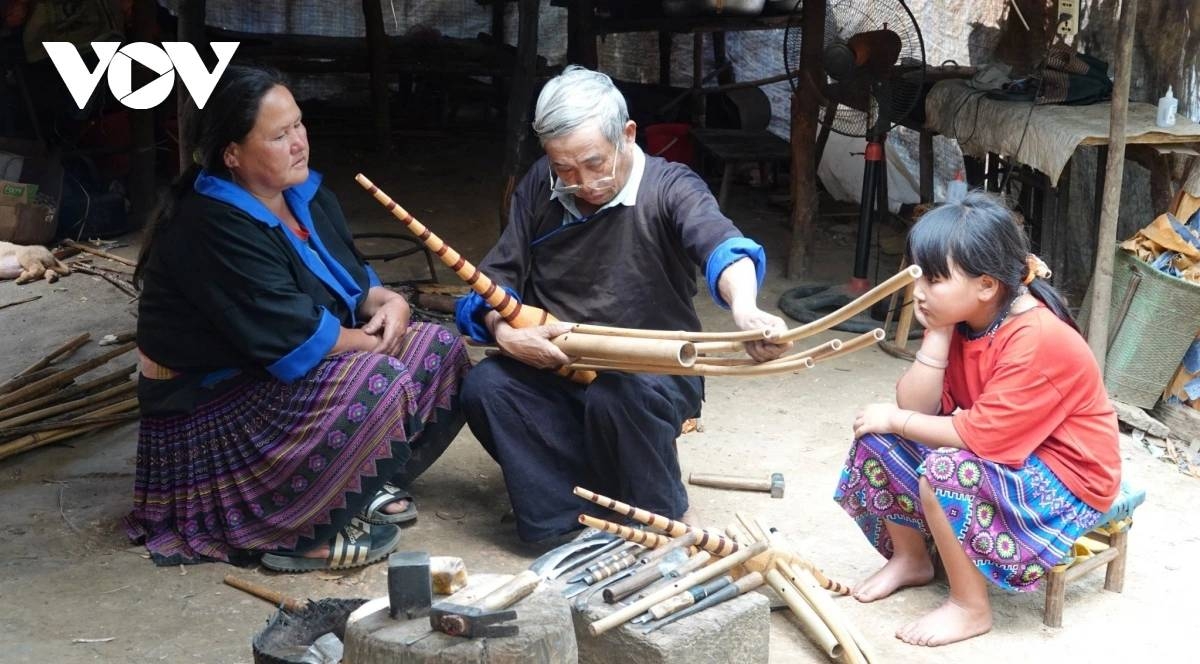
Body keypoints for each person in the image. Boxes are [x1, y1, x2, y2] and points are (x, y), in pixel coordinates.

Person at [125, 66, 469, 571]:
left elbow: (352, 287)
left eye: (299, 125)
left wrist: (391, 303)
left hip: (274, 384)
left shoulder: (304, 194)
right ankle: (296, 532)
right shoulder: (212, 225)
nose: (299, 143)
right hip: (211, 406)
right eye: (279, 135)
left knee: (440, 348)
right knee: (378, 378)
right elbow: (292, 341)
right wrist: (373, 345)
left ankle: (353, 484)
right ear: (232, 155)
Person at [455, 65, 790, 544]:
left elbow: (722, 246)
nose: (582, 182)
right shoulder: (541, 184)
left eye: (594, 163)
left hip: (651, 375)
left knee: (621, 395)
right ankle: (566, 518)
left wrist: (746, 310)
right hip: (558, 362)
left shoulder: (671, 186)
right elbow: (495, 280)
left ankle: (657, 520)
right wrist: (505, 332)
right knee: (487, 387)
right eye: (563, 169)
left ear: (628, 134)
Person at [835, 190, 1121, 646]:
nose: (919, 291)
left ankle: (970, 608)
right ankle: (912, 560)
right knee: (876, 437)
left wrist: (898, 420)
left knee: (945, 470)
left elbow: (982, 438)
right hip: (1008, 453)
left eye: (933, 279)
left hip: (1067, 479)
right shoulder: (969, 321)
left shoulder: (1039, 337)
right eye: (919, 277)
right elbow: (915, 409)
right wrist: (937, 334)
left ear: (987, 285)